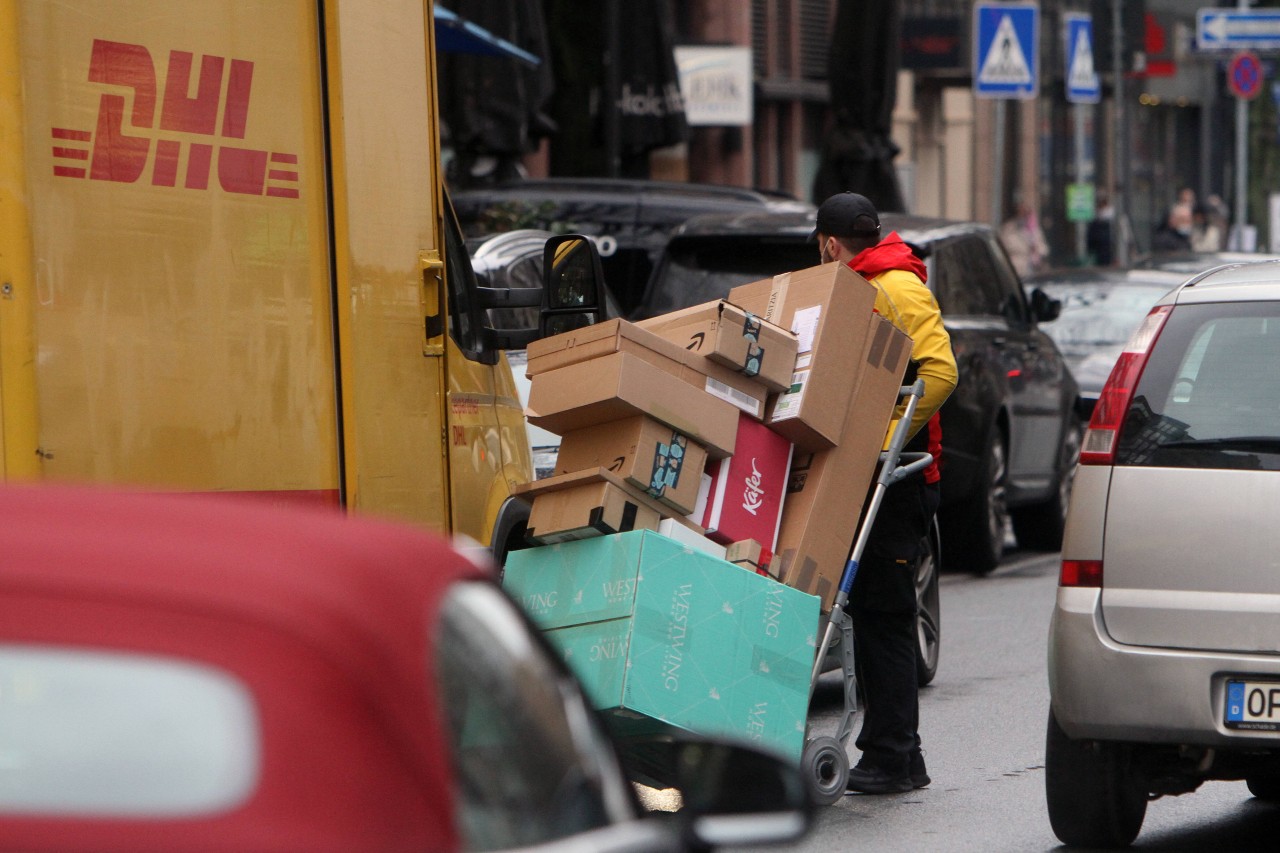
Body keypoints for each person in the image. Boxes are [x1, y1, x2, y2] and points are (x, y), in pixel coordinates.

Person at [812, 192, 958, 794]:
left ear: (827, 243)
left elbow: (941, 372)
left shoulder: (895, 287)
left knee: (886, 617)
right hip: (877, 475)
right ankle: (896, 754)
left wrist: (883, 442)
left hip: (896, 482)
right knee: (873, 614)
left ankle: (894, 756)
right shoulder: (861, 284)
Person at [999, 199, 1050, 277]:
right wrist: (1026, 247)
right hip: (1018, 267)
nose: (1025, 216)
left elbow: (1043, 247)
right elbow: (1006, 245)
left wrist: (1038, 250)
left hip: (1034, 267)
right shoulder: (1009, 228)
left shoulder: (1034, 229)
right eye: (1023, 213)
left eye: (1027, 213)